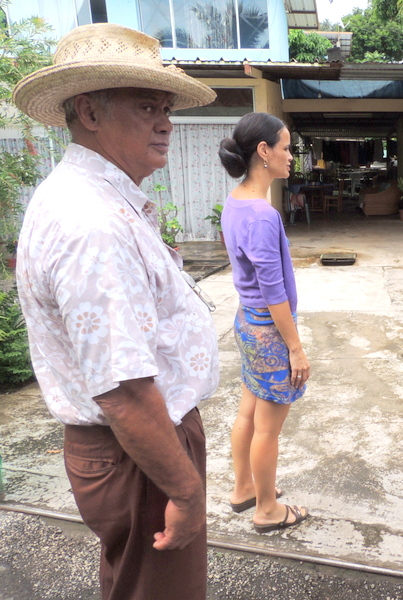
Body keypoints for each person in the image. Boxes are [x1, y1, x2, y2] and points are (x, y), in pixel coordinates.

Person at [12, 23, 219, 600]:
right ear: (89, 112)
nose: (166, 122)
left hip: (138, 448)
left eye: (166, 108)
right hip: (139, 452)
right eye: (147, 106)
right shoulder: (94, 222)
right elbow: (124, 390)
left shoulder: (97, 199)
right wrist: (186, 491)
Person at [218, 113, 311, 533]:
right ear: (263, 151)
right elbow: (274, 292)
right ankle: (267, 509)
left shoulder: (235, 201)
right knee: (267, 430)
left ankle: (244, 489)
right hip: (269, 331)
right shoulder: (261, 214)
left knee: (248, 413)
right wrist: (295, 347)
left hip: (247, 322)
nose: (290, 156)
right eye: (286, 148)